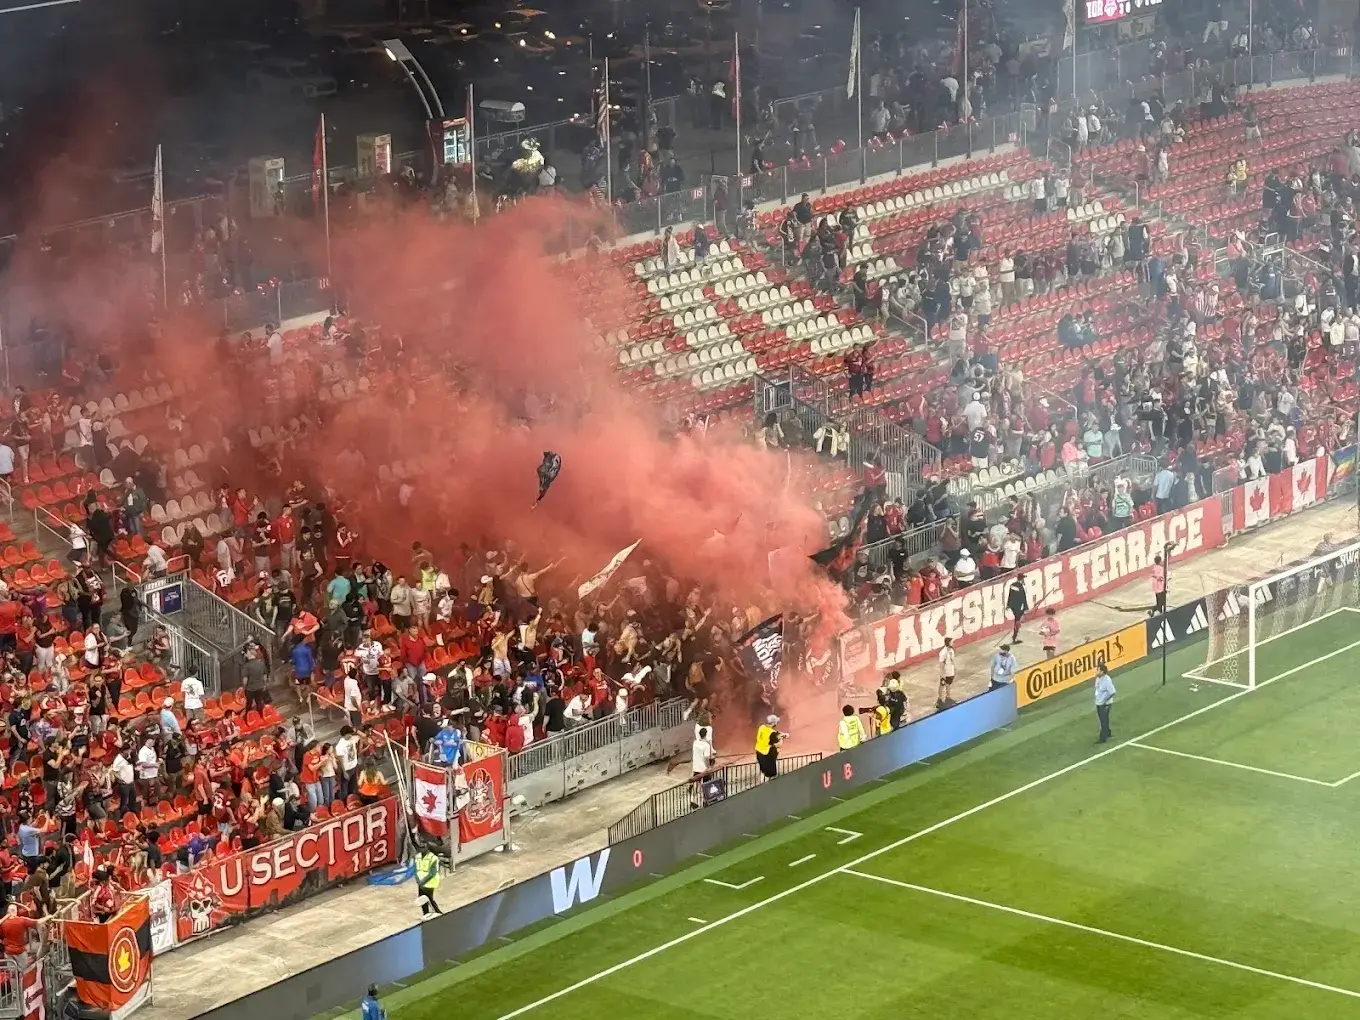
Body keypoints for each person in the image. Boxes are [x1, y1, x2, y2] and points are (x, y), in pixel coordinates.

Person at [690, 724, 715, 808]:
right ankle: (706, 800)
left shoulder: (695, 743)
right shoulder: (706, 745)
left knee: (696, 785)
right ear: (706, 735)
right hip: (703, 769)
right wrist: (709, 766)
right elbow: (706, 757)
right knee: (706, 784)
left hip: (695, 767)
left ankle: (693, 800)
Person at [753, 715, 783, 780]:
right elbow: (778, 743)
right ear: (774, 723)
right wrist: (782, 737)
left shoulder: (762, 727)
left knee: (763, 770)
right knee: (770, 774)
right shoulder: (772, 733)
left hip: (759, 751)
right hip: (767, 755)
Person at [414, 846, 442, 916]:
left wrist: (422, 882)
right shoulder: (417, 857)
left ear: (427, 848)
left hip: (430, 882)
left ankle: (438, 913)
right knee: (422, 899)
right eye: (419, 847)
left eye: (422, 847)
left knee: (429, 899)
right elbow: (415, 870)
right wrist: (418, 880)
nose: (420, 849)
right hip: (420, 883)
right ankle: (426, 914)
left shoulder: (433, 858)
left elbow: (432, 873)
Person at [1093, 662, 1116, 743]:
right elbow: (1098, 689)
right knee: (1104, 719)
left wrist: (1104, 700)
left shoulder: (1107, 681)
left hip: (1105, 704)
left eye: (1098, 670)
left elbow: (1112, 692)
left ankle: (1103, 738)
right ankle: (1108, 732)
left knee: (1103, 720)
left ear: (1102, 672)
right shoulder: (1098, 679)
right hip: (1099, 703)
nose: (1096, 672)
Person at [1007, 573, 1029, 642]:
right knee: (1017, 621)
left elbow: (1010, 595)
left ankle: (1015, 635)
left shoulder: (1013, 585)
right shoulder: (1021, 587)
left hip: (1013, 606)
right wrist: (1025, 608)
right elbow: (1023, 598)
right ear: (1022, 579)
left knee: (1017, 620)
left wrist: (1008, 605)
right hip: (1018, 607)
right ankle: (1015, 637)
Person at [936, 636, 956, 709]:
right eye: (951, 642)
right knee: (942, 685)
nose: (953, 643)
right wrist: (942, 674)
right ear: (948, 643)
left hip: (950, 671)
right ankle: (939, 700)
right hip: (945, 672)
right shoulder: (943, 652)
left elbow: (952, 660)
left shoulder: (951, 650)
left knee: (948, 685)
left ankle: (948, 698)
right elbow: (941, 664)